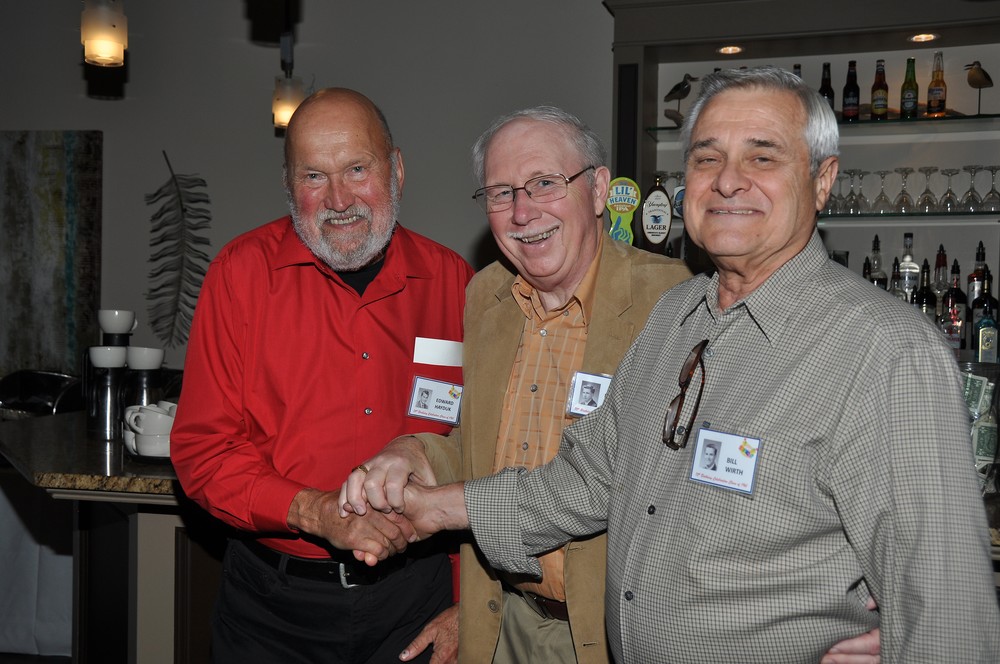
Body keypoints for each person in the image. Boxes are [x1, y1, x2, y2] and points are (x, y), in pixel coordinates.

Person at [350, 67, 1000, 662]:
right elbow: (583, 482)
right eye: (707, 158)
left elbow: (945, 608)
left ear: (822, 180)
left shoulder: (886, 353)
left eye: (762, 156)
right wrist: (434, 508)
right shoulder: (674, 319)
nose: (727, 180)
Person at [169, 87, 474, 663]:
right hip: (274, 610)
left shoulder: (453, 282)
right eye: (314, 176)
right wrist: (317, 512)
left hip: (418, 602)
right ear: (290, 186)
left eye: (357, 169)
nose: (338, 199)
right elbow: (202, 452)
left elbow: (478, 451)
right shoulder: (239, 276)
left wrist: (467, 605)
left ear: (396, 170)